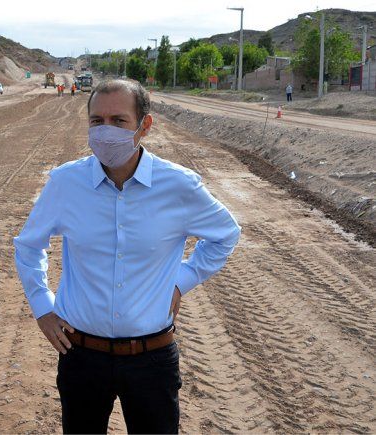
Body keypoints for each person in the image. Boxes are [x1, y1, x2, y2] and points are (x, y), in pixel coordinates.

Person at [14, 78, 240, 434]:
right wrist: (42, 307)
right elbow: (29, 245)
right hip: (81, 357)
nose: (105, 132)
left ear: (144, 125)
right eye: (96, 121)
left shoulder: (179, 186)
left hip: (152, 359)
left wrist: (182, 281)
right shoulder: (65, 184)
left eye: (118, 121)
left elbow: (226, 235)